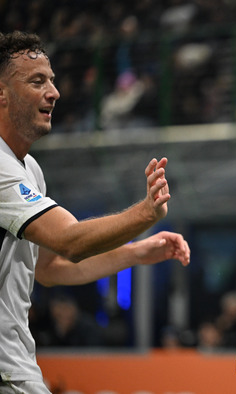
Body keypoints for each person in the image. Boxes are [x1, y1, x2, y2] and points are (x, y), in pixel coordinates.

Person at [0, 31, 190, 393]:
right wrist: (145, 214)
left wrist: (136, 251)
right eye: (37, 81)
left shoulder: (30, 170)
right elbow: (69, 240)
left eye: (52, 81)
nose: (53, 93)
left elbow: (50, 269)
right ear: (2, 94)